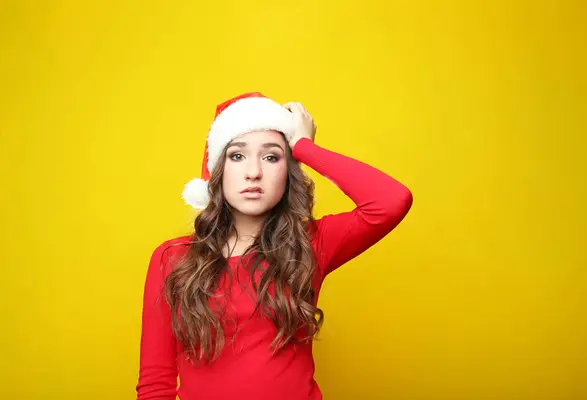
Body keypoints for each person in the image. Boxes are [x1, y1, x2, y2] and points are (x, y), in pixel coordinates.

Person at [136, 92, 413, 400]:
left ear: (288, 172)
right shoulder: (173, 258)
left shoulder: (310, 244)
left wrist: (306, 148)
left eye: (271, 157)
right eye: (237, 156)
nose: (253, 172)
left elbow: (391, 201)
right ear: (217, 172)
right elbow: (155, 382)